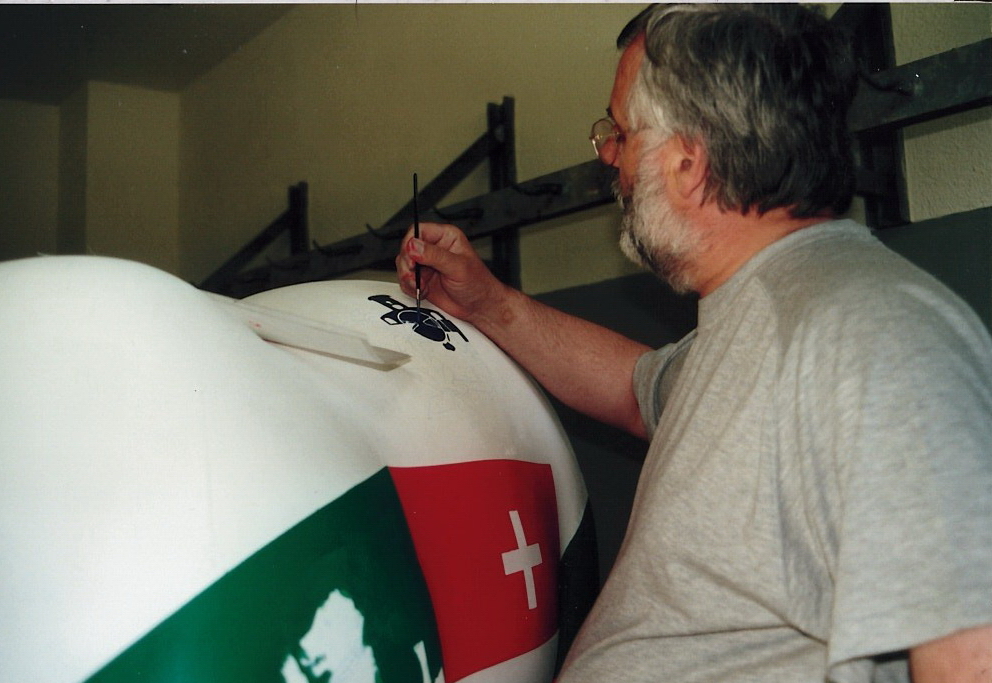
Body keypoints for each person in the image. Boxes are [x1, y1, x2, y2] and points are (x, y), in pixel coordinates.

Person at [396, 4, 992, 682]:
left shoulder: (873, 336)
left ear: (687, 162)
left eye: (622, 133)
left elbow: (973, 658)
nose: (609, 156)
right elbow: (636, 389)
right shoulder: (770, 308)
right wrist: (490, 304)